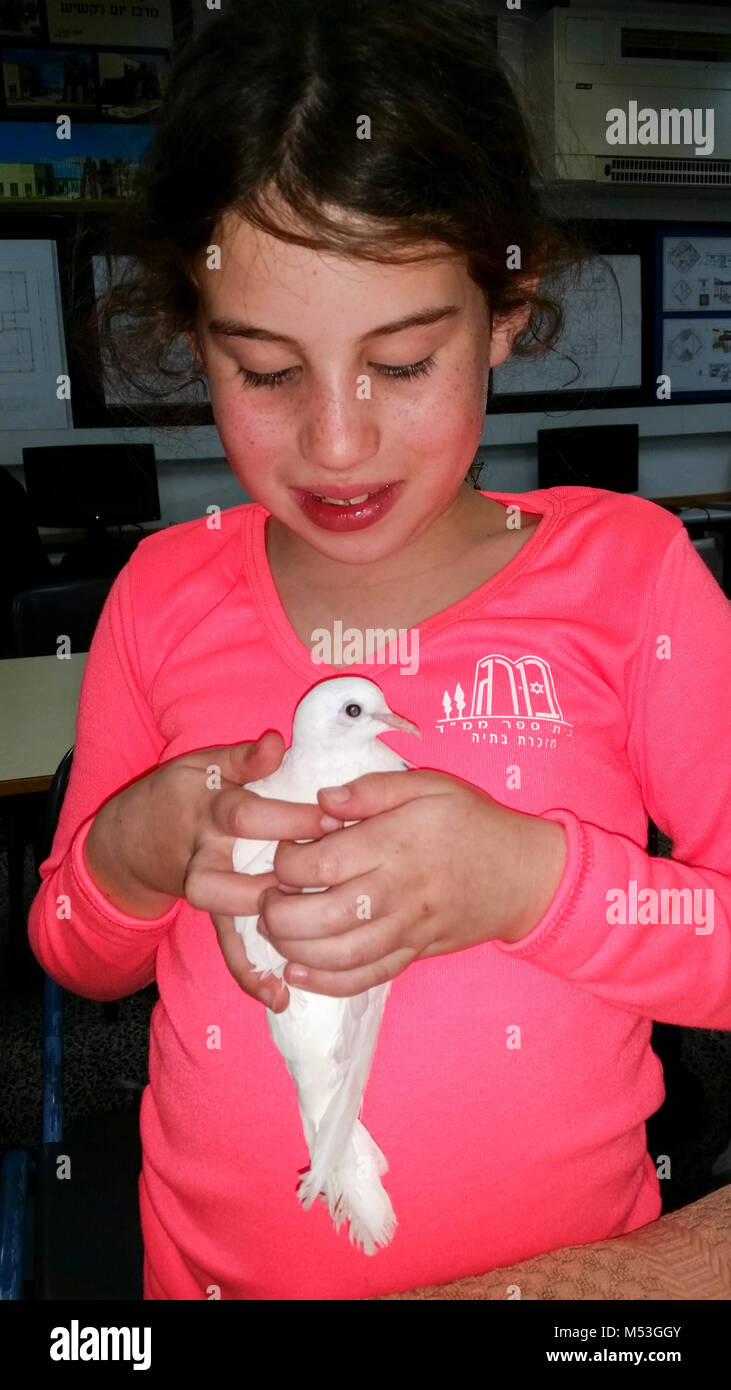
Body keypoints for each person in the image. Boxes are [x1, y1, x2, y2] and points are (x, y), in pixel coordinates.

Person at [29, 0, 731, 1301]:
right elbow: (75, 943)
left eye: (402, 362)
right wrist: (135, 845)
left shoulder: (631, 580)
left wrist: (531, 880)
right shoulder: (161, 590)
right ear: (194, 338)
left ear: (506, 309)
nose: (338, 445)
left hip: (567, 1288)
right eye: (267, 370)